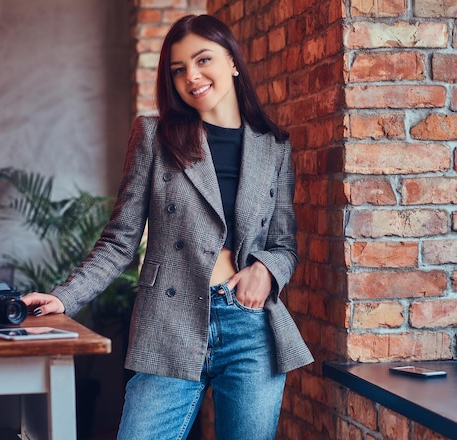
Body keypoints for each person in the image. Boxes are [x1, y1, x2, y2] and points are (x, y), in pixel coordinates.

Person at [22, 14, 313, 440]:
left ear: (233, 61)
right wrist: (66, 297)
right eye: (178, 69)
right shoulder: (155, 136)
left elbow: (285, 244)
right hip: (168, 322)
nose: (191, 76)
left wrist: (266, 270)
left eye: (202, 60)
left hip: (249, 327)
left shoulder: (273, 147)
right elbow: (120, 241)